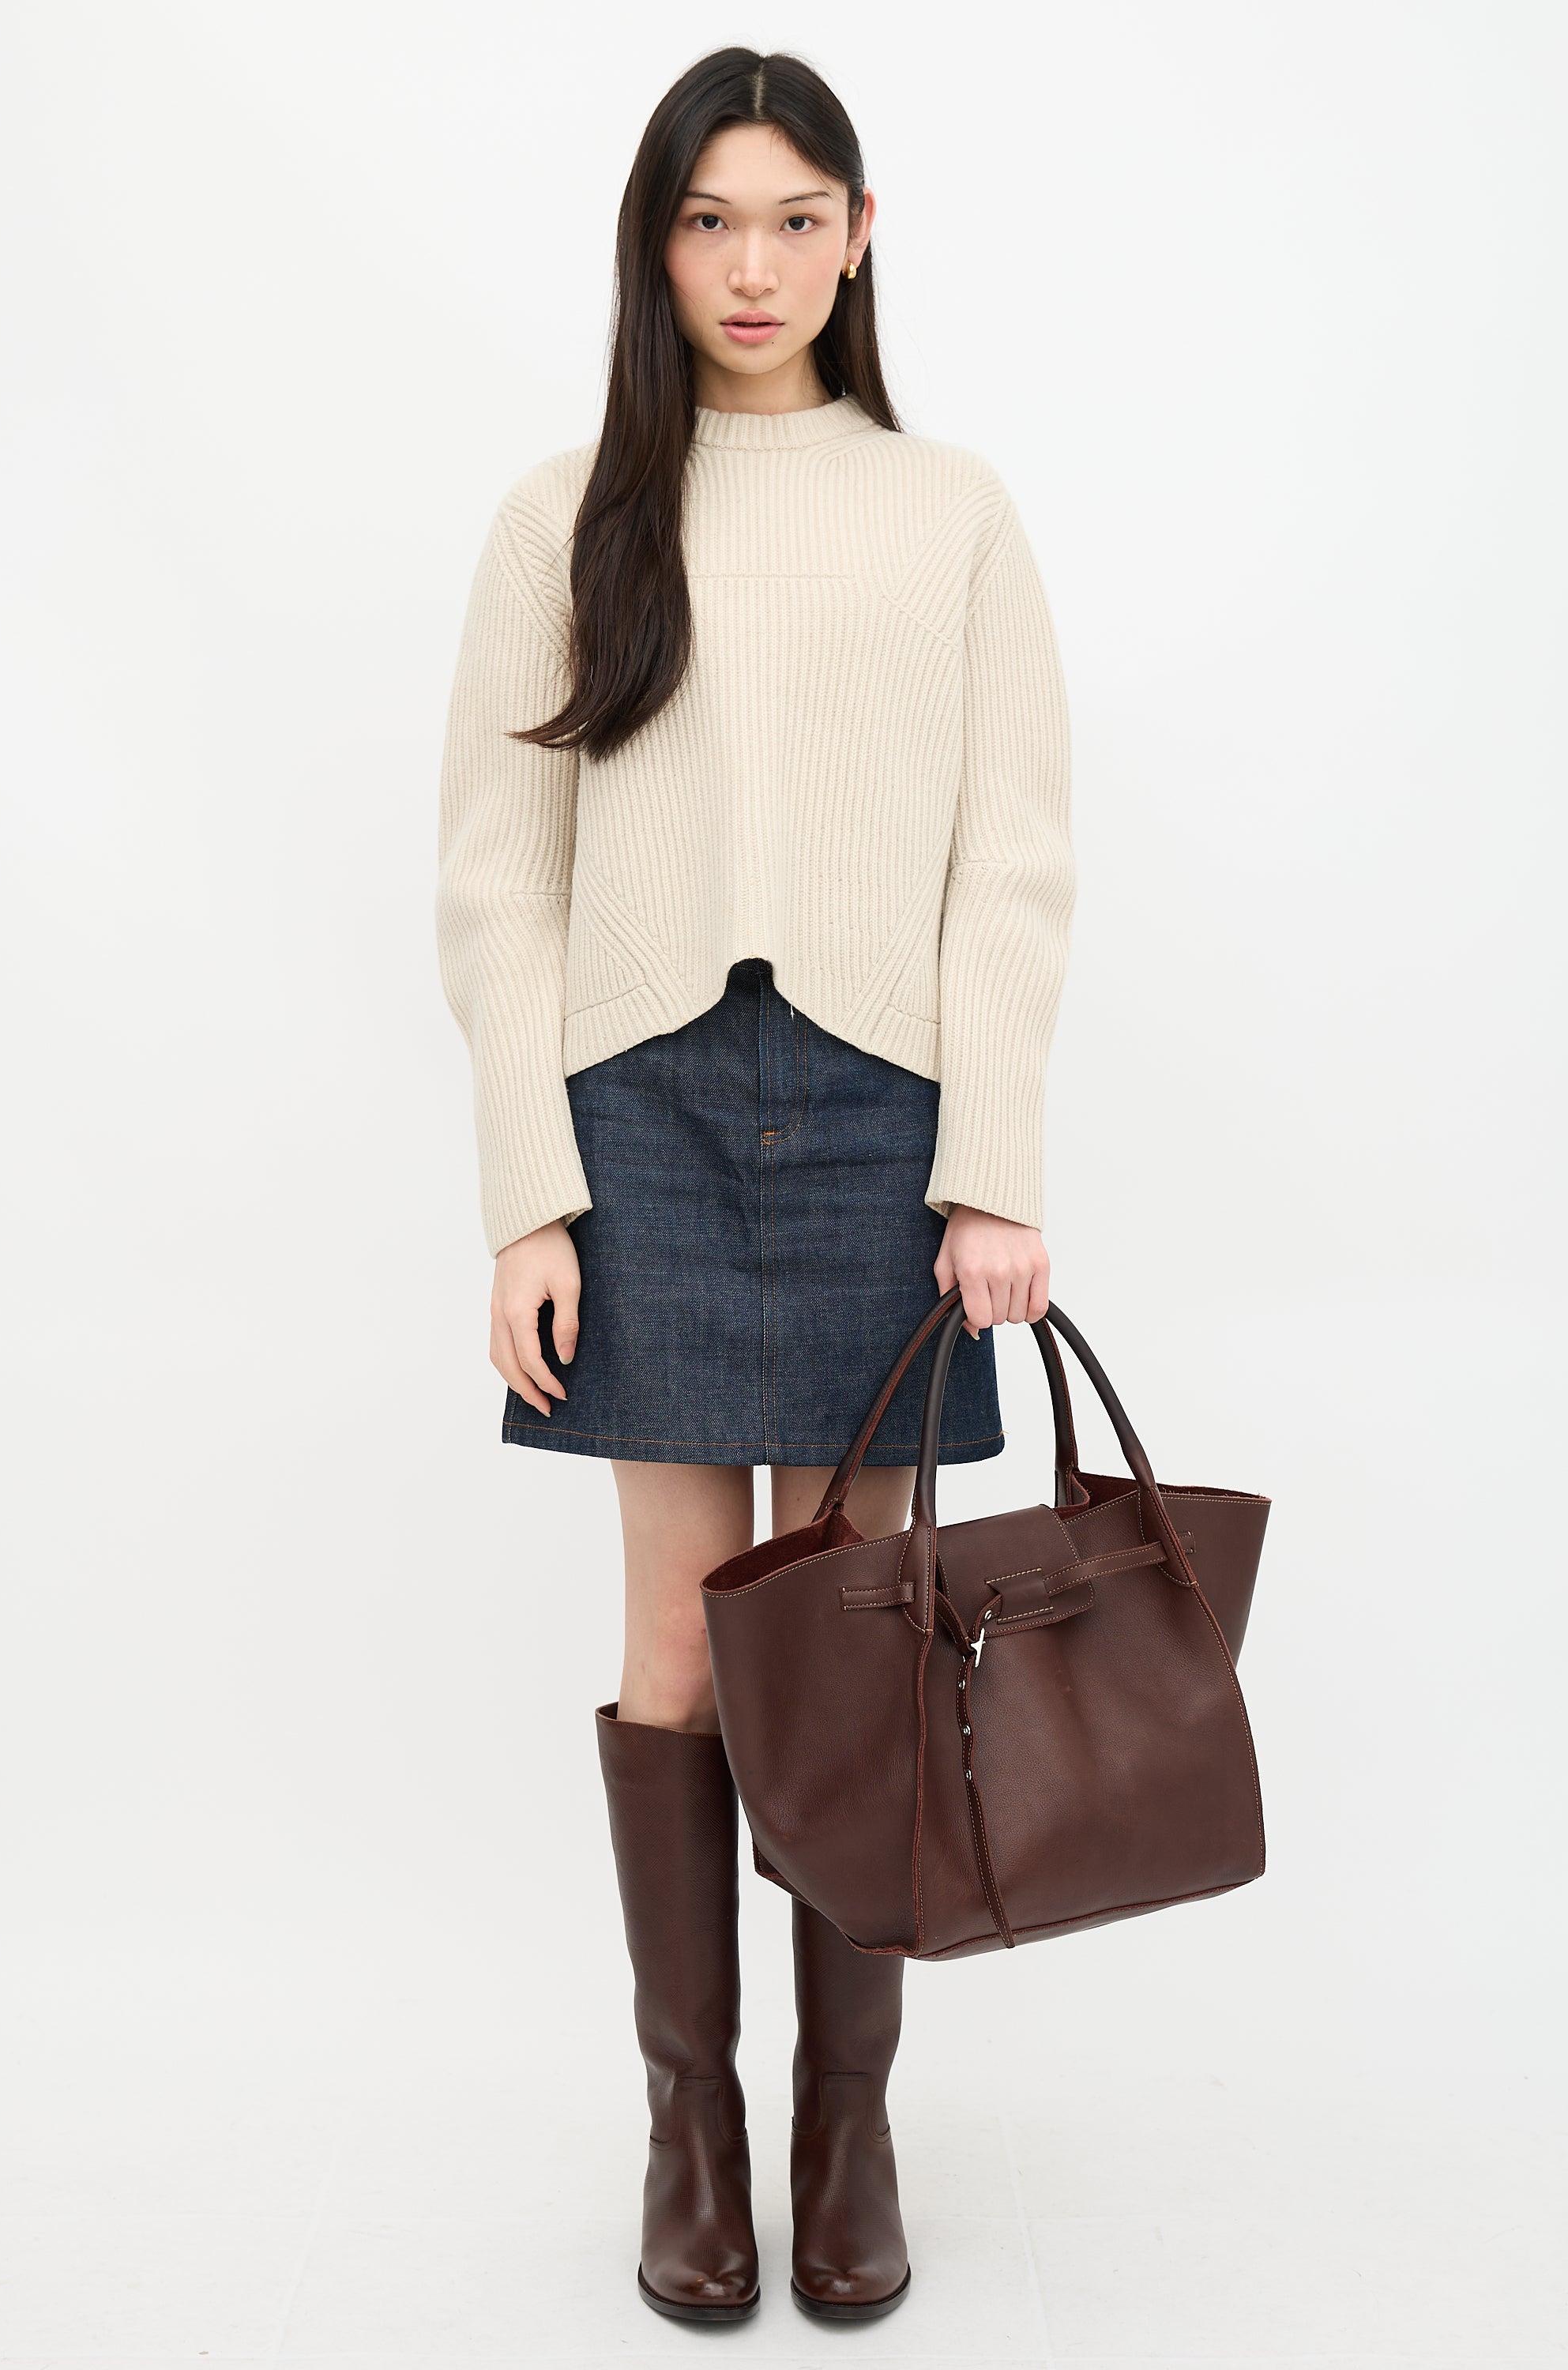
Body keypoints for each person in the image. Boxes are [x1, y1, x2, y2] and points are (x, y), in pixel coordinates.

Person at [435, 45, 1075, 2327]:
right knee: (683, 1647)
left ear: (861, 235)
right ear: (656, 240)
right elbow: (500, 881)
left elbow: (1012, 864)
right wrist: (530, 1196)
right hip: (647, 1109)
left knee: (859, 1629)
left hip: (891, 1115)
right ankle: (690, 2127)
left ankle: (848, 2123)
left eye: (797, 218)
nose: (753, 264)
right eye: (710, 219)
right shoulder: (567, 513)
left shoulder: (951, 511)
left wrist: (994, 1171)